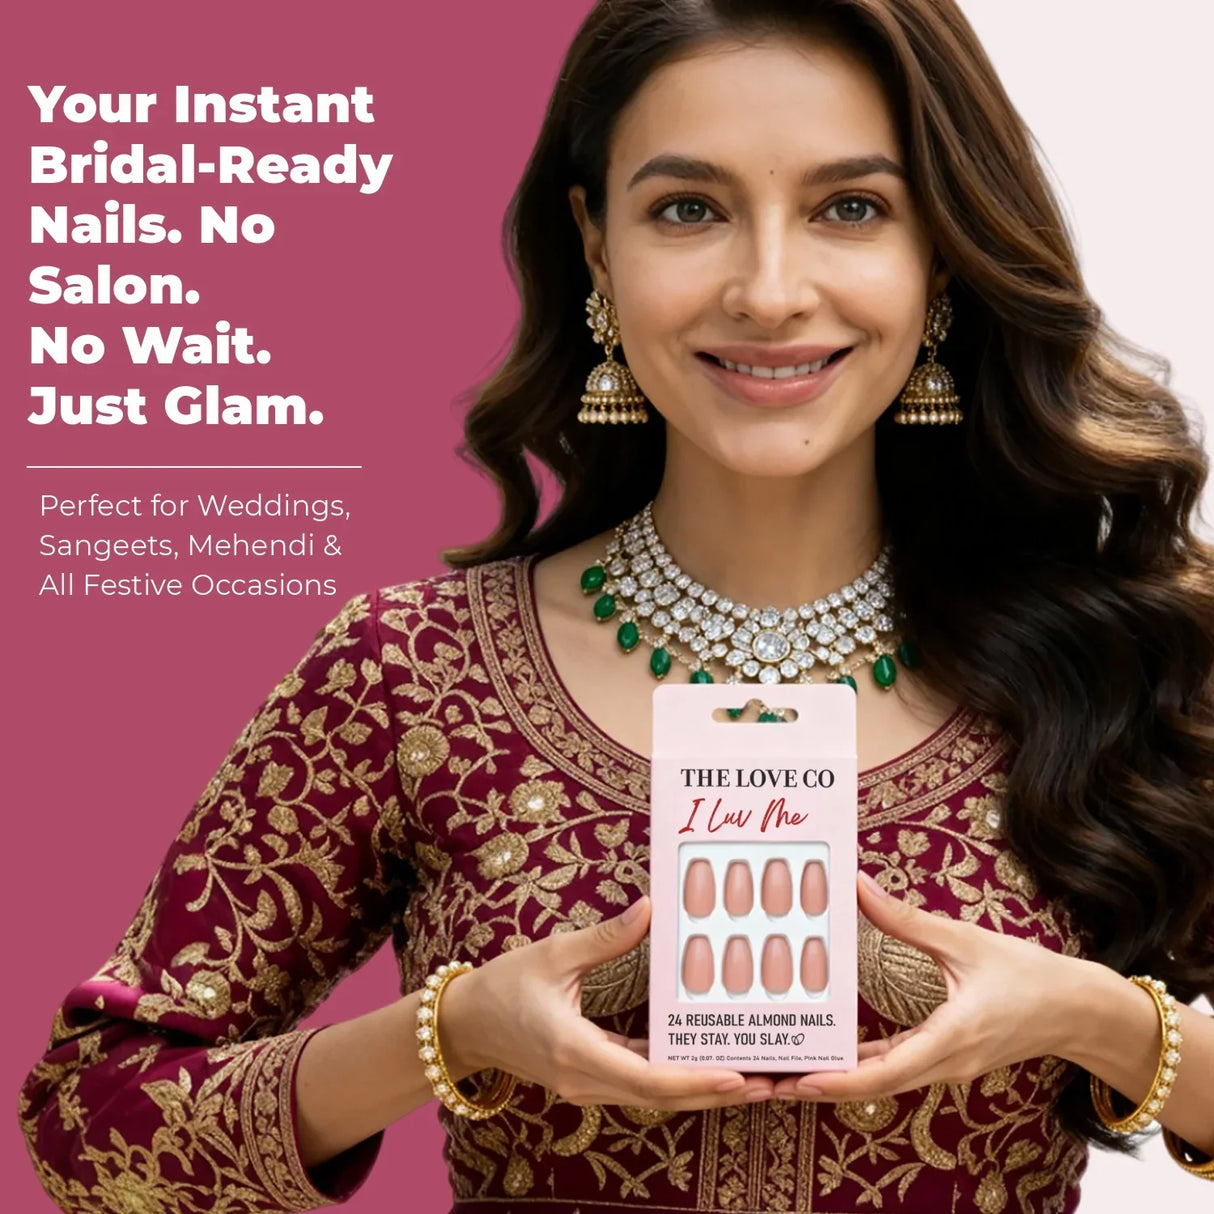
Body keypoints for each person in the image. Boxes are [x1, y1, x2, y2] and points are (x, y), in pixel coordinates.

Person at [19, 1, 1214, 1211]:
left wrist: (1100, 1020)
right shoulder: (414, 672)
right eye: (686, 209)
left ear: (940, 253)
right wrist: (451, 1033)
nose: (767, 289)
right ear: (596, 243)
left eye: (849, 207)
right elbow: (89, 1124)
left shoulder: (1119, 650)